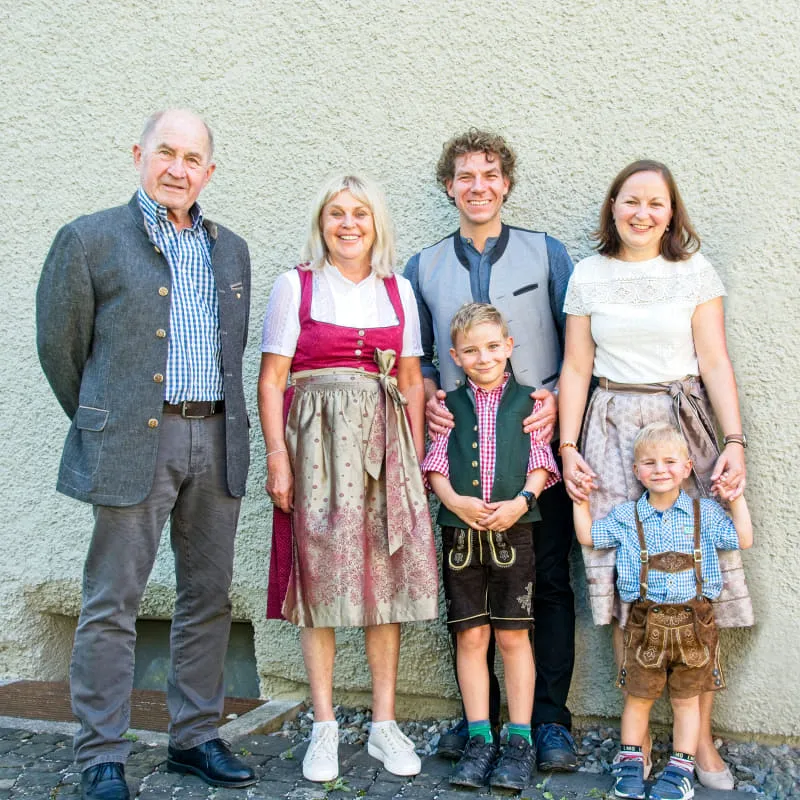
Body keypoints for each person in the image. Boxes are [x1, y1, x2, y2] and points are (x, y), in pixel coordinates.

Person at [36, 109, 255, 800]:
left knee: (208, 596)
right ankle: (102, 754)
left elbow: (233, 348)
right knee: (112, 600)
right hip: (136, 440)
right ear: (139, 154)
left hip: (215, 439)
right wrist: (108, 420)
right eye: (167, 153)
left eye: (193, 159)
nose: (178, 169)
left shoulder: (231, 249)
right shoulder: (89, 239)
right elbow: (61, 350)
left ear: (209, 172)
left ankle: (194, 738)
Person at [558, 159, 753, 790]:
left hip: (682, 423)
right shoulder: (588, 274)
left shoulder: (693, 272)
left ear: (672, 214)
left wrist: (734, 442)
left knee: (698, 581)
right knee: (628, 582)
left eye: (657, 204)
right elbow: (575, 369)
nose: (643, 213)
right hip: (611, 426)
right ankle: (634, 746)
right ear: (613, 205)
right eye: (632, 200)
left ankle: (698, 746)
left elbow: (716, 362)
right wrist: (567, 445)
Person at [405, 129, 578, 771]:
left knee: (548, 582)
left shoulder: (547, 253)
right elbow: (416, 356)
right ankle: (479, 722)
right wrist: (427, 396)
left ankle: (548, 721)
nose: (478, 187)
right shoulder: (422, 267)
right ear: (448, 186)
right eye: (465, 176)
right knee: (468, 595)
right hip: (461, 457)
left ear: (506, 183)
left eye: (490, 174)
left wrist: (558, 398)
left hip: (534, 450)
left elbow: (575, 343)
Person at [259, 173, 438, 784]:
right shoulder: (295, 286)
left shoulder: (400, 291)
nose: (348, 223)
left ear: (375, 223)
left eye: (360, 213)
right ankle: (325, 726)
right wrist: (277, 457)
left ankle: (385, 725)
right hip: (315, 449)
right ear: (322, 222)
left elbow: (411, 379)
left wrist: (410, 456)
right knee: (321, 583)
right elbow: (271, 379)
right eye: (336, 212)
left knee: (385, 581)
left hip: (386, 445)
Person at [421, 303, 561, 790]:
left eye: (492, 347)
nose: (484, 357)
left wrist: (523, 501)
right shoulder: (447, 408)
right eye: (472, 350)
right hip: (461, 535)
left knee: (513, 636)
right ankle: (480, 737)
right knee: (471, 636)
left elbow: (541, 461)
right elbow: (434, 463)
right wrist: (454, 501)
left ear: (509, 346)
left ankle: (519, 739)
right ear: (456, 356)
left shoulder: (530, 403)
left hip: (513, 532)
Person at [573, 423, 753, 800]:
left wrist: (734, 498)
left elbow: (742, 538)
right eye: (649, 462)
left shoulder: (706, 513)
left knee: (686, 700)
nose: (660, 469)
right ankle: (630, 766)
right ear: (637, 471)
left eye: (670, 461)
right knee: (638, 697)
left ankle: (680, 772)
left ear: (688, 467)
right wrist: (581, 502)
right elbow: (590, 536)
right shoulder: (625, 517)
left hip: (696, 624)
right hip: (644, 624)